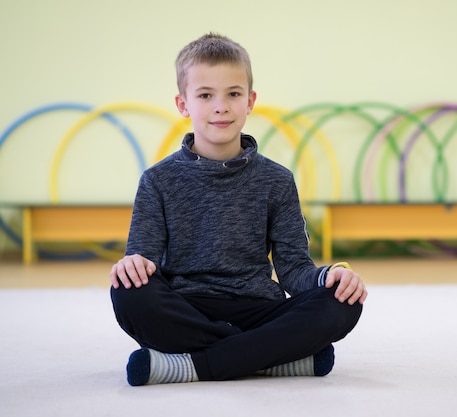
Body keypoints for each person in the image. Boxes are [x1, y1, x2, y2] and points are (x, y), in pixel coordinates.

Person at [109, 32, 367, 386]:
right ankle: (269, 358)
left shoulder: (277, 180)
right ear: (183, 104)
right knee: (128, 291)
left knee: (343, 302)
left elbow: (293, 270)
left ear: (250, 101)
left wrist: (328, 277)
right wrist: (133, 262)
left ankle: (192, 366)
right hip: (186, 309)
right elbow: (144, 261)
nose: (221, 106)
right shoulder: (157, 180)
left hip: (257, 308)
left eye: (233, 93)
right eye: (205, 95)